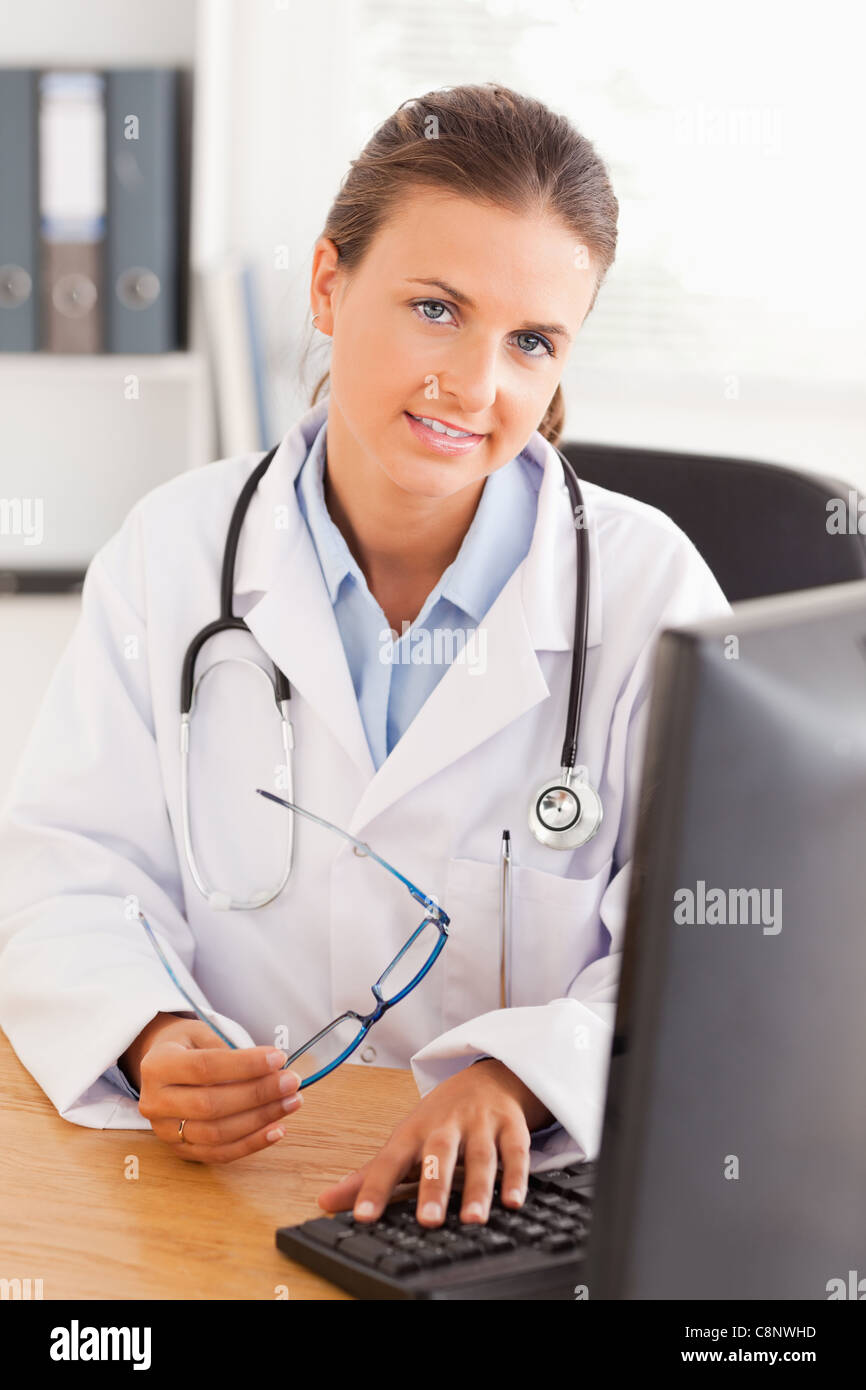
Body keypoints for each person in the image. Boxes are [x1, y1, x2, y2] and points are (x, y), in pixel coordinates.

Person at [0, 83, 730, 1231]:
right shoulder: (171, 556)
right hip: (225, 1195)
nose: (476, 388)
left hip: (516, 1206)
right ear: (329, 286)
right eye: (436, 309)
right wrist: (150, 1034)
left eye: (531, 341)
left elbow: (712, 937)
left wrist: (523, 1075)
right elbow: (63, 870)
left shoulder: (646, 592)